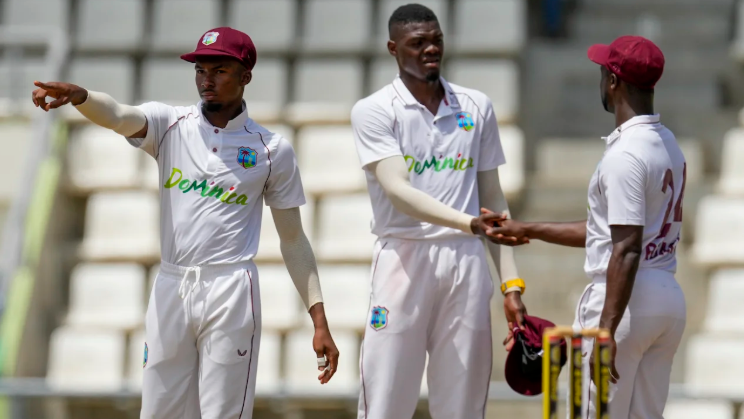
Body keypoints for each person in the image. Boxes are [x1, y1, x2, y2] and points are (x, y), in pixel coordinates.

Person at [31, 27, 339, 419]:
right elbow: (119, 116)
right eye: (200, 69)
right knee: (158, 412)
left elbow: (293, 240)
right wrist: (82, 97)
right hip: (172, 286)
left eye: (220, 69)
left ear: (246, 75)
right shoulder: (168, 124)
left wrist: (319, 319)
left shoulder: (270, 149)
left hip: (231, 289)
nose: (206, 79)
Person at [493, 35, 687, 419]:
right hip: (665, 296)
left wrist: (607, 329)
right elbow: (610, 232)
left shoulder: (626, 155)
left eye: (603, 72)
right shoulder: (667, 143)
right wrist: (528, 228)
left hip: (625, 301)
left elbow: (626, 248)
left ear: (613, 81)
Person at [350, 4, 528, 419]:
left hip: (465, 263)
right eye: (418, 43)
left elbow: (492, 197)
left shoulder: (476, 106)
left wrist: (511, 284)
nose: (431, 49)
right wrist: (468, 222)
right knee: (386, 398)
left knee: (463, 403)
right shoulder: (374, 110)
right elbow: (397, 190)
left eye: (437, 40)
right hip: (403, 259)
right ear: (393, 48)